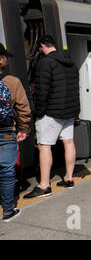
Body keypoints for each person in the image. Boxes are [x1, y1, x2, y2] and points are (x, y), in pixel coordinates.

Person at [24, 36, 80, 199]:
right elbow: (75, 88)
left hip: (51, 113)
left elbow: (42, 91)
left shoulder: (45, 63)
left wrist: (39, 112)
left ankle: (44, 185)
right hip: (69, 111)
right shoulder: (71, 62)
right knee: (68, 142)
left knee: (44, 146)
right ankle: (69, 179)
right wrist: (76, 109)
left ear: (42, 46)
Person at [0, 43, 31, 221]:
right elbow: (23, 108)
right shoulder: (12, 82)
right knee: (6, 171)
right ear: (2, 60)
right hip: (5, 132)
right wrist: (24, 128)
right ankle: (8, 210)